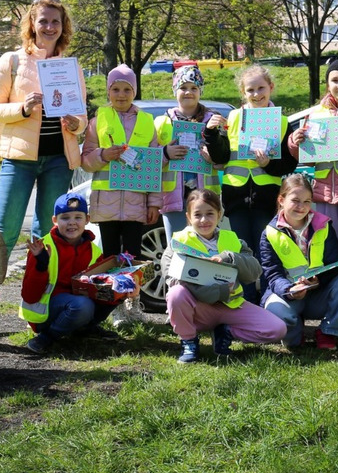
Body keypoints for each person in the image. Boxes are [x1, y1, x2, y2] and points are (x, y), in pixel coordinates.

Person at [0, 0, 87, 317]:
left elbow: (81, 116)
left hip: (58, 160)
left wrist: (76, 123)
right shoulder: (11, 62)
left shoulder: (71, 66)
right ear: (32, 24)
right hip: (19, 160)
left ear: (63, 27)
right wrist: (23, 108)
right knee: (3, 233)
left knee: (48, 237)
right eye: (43, 21)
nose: (50, 27)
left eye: (56, 22)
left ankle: (37, 309)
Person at [164, 189, 286, 362]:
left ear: (219, 215)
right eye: (197, 215)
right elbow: (171, 278)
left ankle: (225, 332)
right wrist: (218, 291)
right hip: (199, 310)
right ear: (188, 217)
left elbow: (254, 272)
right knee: (176, 293)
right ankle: (188, 341)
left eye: (210, 213)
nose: (204, 220)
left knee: (277, 329)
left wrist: (231, 257)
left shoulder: (232, 239)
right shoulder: (178, 242)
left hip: (231, 305)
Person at [287, 59, 338, 274]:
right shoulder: (316, 113)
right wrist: (295, 142)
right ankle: (333, 291)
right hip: (323, 193)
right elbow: (306, 157)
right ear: (327, 84)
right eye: (335, 80)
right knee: (326, 247)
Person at [225, 65, 295, 304]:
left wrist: (268, 164)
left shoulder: (282, 121)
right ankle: (245, 301)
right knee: (241, 250)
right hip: (236, 195)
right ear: (243, 92)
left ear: (271, 87)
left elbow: (289, 164)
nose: (256, 94)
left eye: (261, 88)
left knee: (266, 249)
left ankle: (268, 298)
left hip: (267, 197)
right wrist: (211, 140)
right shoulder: (233, 117)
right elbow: (222, 154)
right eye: (250, 90)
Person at [260, 174, 338, 351]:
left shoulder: (324, 225)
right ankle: (295, 336)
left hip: (318, 295)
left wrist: (318, 281)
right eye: (295, 201)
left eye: (307, 201)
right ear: (281, 200)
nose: (301, 207)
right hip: (289, 295)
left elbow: (336, 265)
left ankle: (328, 332)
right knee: (277, 311)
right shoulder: (269, 233)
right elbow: (272, 274)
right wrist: (289, 291)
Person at [81, 64, 164, 260]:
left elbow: (154, 167)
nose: (121, 95)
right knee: (109, 258)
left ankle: (130, 283)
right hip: (105, 204)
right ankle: (110, 283)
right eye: (116, 89)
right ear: (108, 91)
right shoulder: (97, 121)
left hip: (136, 204)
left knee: (132, 257)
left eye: (127, 89)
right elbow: (85, 162)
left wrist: (154, 204)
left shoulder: (147, 122)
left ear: (134, 92)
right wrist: (103, 155)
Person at [20, 192, 114, 354]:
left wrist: (120, 288)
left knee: (114, 292)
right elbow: (29, 296)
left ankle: (85, 328)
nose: (72, 222)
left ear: (87, 219)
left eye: (78, 217)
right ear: (55, 220)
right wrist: (41, 265)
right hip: (44, 313)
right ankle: (46, 337)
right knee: (82, 305)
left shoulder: (94, 251)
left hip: (77, 305)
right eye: (65, 218)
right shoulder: (42, 247)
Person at [156, 65, 228, 241]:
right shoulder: (162, 122)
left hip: (206, 201)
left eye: (194, 88)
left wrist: (214, 159)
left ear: (200, 91)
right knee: (177, 248)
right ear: (174, 90)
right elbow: (149, 161)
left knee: (207, 249)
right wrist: (165, 153)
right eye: (183, 87)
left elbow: (225, 158)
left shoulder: (213, 120)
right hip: (173, 200)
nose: (188, 92)